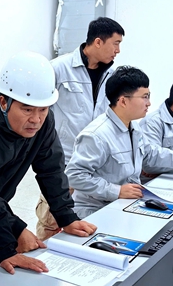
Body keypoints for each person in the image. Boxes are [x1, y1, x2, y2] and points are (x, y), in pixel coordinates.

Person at [0, 50, 97, 280]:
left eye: (43, 109)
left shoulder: (42, 123)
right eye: (27, 109)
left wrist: (66, 216)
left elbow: (51, 168)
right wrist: (15, 227)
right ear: (3, 102)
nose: (36, 119)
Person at [66, 66, 173, 218]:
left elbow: (151, 154)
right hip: (96, 210)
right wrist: (116, 190)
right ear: (123, 101)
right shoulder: (97, 134)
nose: (149, 103)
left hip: (125, 204)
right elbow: (74, 175)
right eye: (144, 97)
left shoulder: (133, 127)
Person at [35, 17, 124, 239]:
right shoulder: (58, 68)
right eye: (115, 43)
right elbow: (40, 109)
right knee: (51, 218)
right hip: (63, 159)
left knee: (81, 221)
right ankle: (42, 252)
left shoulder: (112, 76)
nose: (118, 50)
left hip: (95, 160)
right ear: (98, 42)